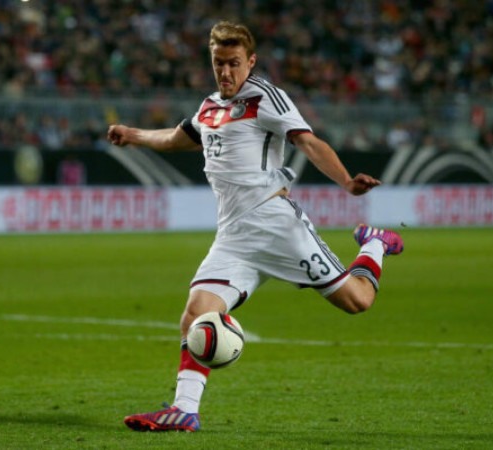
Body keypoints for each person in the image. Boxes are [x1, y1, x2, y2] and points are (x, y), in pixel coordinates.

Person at [107, 21, 404, 433]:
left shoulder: (265, 97)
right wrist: (133, 134)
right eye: (217, 64)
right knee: (196, 313)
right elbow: (177, 138)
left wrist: (347, 181)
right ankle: (184, 410)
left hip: (275, 224)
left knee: (357, 302)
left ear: (251, 61)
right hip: (233, 236)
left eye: (233, 63)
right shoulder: (209, 106)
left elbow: (308, 142)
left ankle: (374, 244)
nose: (225, 72)